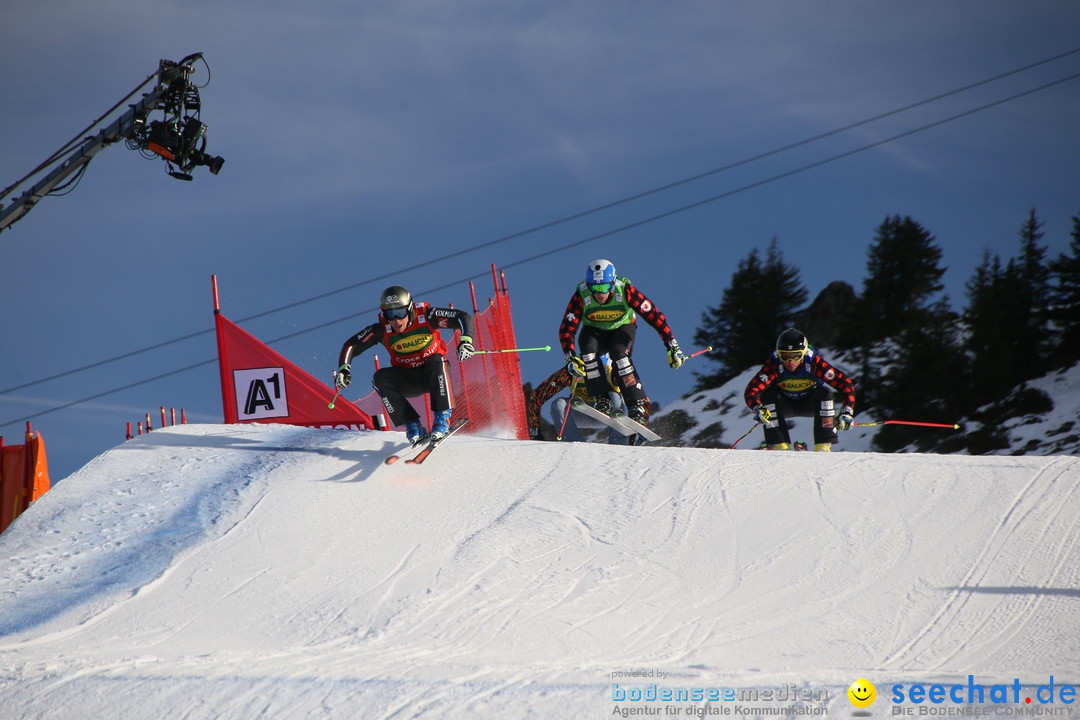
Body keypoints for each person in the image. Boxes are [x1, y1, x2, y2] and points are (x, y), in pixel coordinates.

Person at [335, 285, 476, 444]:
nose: (396, 320)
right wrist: (344, 369)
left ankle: (442, 418)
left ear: (410, 309)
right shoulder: (383, 328)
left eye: (400, 313)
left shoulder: (427, 316)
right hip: (408, 379)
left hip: (434, 376)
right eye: (390, 314)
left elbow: (462, 317)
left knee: (437, 360)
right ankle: (413, 425)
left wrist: (466, 341)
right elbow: (352, 345)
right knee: (379, 378)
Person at [558, 258, 685, 428]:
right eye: (594, 287)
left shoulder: (625, 290)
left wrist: (672, 346)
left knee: (619, 354)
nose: (599, 293)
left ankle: (636, 405)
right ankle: (601, 399)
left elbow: (654, 316)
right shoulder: (581, 294)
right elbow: (567, 327)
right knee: (587, 352)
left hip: (622, 328)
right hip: (594, 330)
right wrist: (570, 356)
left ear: (613, 282)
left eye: (603, 286)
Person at [744, 328, 856, 451]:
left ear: (803, 353)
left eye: (796, 355)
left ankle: (823, 445)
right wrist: (757, 408)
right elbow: (751, 391)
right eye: (785, 355)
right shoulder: (774, 365)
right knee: (768, 395)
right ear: (778, 353)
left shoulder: (813, 362)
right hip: (783, 405)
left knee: (825, 393)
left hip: (810, 404)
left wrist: (847, 411)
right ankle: (780, 445)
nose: (790, 361)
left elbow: (845, 383)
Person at [527, 356, 626, 444]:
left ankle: (618, 442)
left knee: (615, 396)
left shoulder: (613, 370)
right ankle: (572, 441)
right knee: (559, 403)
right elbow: (537, 396)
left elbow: (635, 396)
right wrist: (535, 432)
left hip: (608, 414)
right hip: (581, 413)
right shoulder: (574, 370)